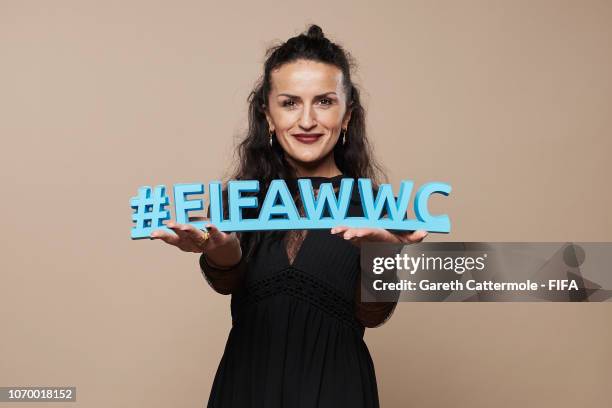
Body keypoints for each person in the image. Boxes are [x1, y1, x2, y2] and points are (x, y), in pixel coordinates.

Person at [150, 24, 427, 408]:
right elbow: (229, 282)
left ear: (347, 116)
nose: (308, 120)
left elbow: (372, 315)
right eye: (290, 102)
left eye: (325, 102)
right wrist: (221, 249)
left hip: (336, 388)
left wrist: (381, 256)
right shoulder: (239, 200)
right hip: (247, 385)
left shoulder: (376, 207)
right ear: (267, 114)